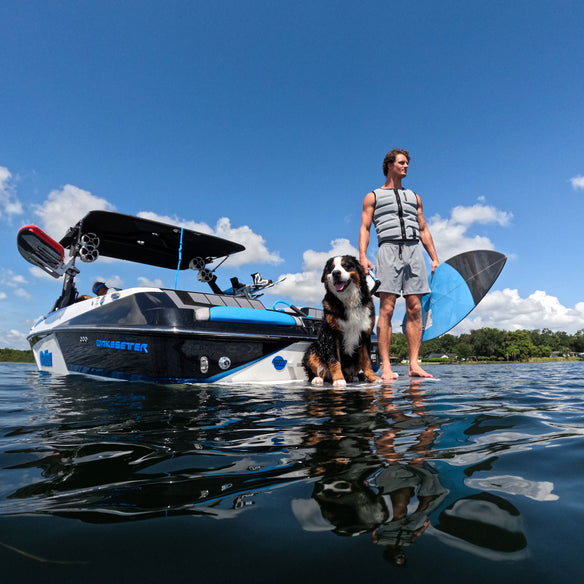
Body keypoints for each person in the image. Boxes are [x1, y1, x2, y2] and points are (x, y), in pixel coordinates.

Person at [359, 149, 439, 380]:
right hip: (388, 249)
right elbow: (364, 228)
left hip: (414, 251)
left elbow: (423, 229)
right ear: (389, 165)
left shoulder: (415, 197)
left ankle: (414, 364)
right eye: (402, 163)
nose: (406, 167)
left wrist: (434, 257)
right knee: (387, 308)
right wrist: (363, 257)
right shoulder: (372, 196)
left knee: (415, 308)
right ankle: (385, 366)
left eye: (407, 163)